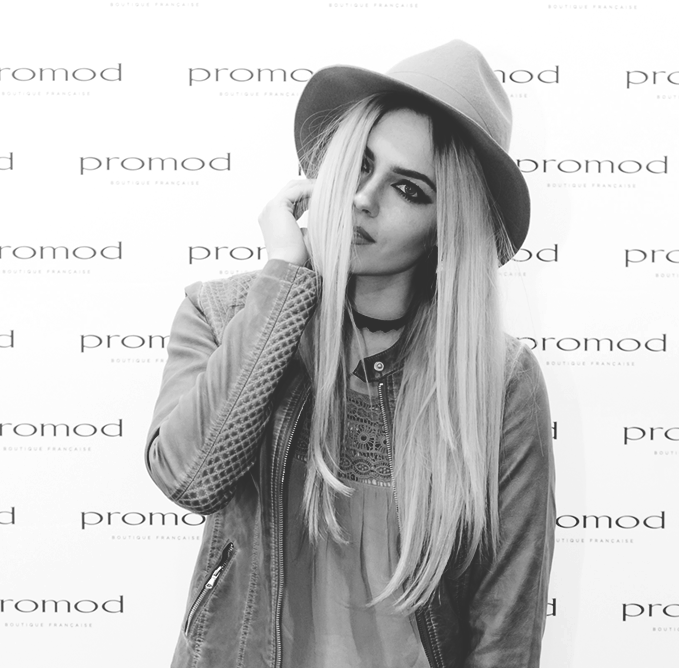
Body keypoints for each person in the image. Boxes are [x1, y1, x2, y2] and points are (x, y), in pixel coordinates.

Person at [144, 40, 555, 668]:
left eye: (409, 190)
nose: (365, 197)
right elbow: (190, 478)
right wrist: (284, 279)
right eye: (360, 163)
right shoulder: (224, 314)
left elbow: (507, 625)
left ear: (446, 227)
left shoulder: (499, 381)